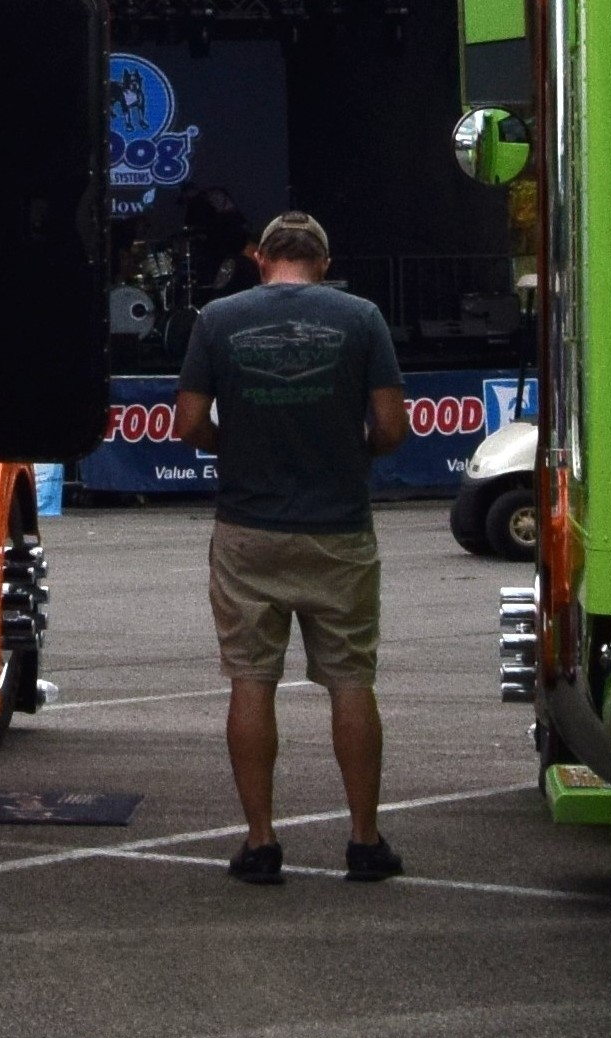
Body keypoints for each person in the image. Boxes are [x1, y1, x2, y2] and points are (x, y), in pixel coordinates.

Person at [174, 210, 409, 885]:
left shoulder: (217, 321)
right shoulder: (360, 318)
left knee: (251, 680)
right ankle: (363, 840)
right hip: (337, 525)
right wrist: (352, 451)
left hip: (247, 527)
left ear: (260, 258)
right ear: (323, 264)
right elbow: (391, 425)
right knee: (350, 680)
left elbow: (187, 422)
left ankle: (259, 841)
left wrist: (234, 445)